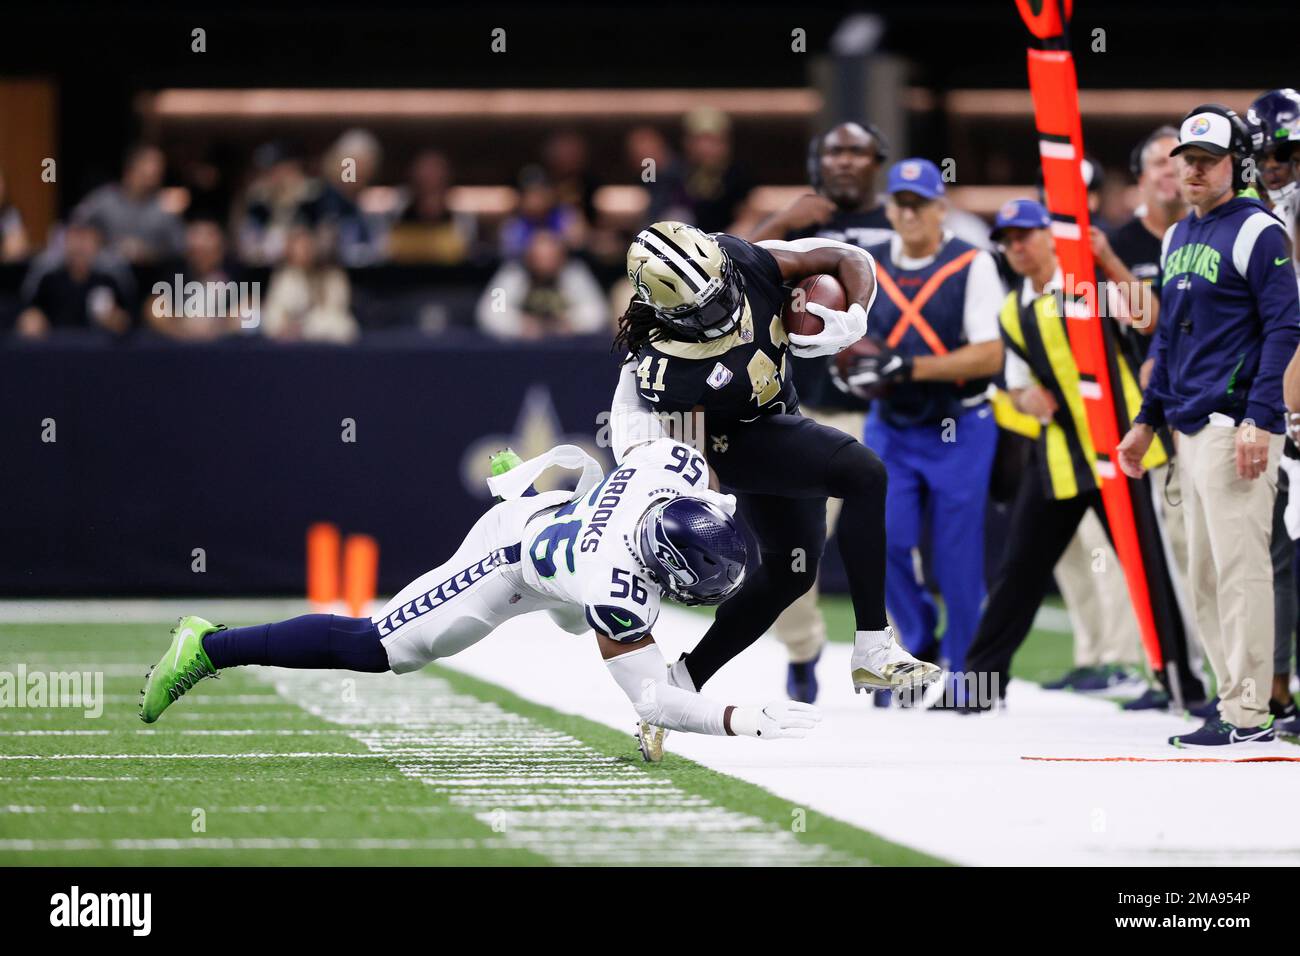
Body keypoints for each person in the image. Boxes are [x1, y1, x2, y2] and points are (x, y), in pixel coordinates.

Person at [138, 440, 821, 762]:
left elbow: (646, 457)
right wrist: (735, 718)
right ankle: (207, 644)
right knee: (380, 647)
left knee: (586, 622)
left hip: (571, 522)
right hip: (513, 558)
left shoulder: (676, 468)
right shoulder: (616, 588)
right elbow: (650, 700)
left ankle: (524, 498)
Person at [609, 220, 940, 704]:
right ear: (669, 312)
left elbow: (849, 257)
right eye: (703, 311)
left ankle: (679, 684)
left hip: (776, 416)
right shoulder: (669, 364)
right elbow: (695, 455)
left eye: (721, 293)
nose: (723, 310)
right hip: (728, 439)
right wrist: (707, 505)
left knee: (792, 570)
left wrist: (854, 315)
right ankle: (873, 645)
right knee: (864, 474)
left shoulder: (739, 259)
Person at [1119, 104, 1300, 748]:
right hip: (1189, 422)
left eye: (1207, 160)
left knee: (1241, 568)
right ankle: (1232, 703)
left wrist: (1261, 416)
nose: (1193, 172)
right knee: (1202, 574)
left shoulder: (1260, 231)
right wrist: (1147, 421)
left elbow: (1285, 326)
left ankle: (1249, 711)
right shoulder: (1178, 237)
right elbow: (1168, 338)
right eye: (1187, 161)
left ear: (1237, 164)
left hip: (1235, 423)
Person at [944, 200, 1168, 713]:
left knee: (1149, 568)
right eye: (1008, 239)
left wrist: (1108, 260)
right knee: (1019, 569)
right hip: (1063, 454)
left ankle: (1177, 681)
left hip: (1126, 451)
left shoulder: (1086, 286)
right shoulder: (1011, 310)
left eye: (1026, 235)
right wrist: (1025, 399)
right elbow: (1017, 388)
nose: (1017, 247)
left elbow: (1150, 316)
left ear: (1050, 236)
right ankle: (979, 684)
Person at [834, 158, 1005, 706]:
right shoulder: (869, 265)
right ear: (888, 209)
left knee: (956, 558)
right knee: (879, 540)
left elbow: (989, 354)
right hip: (893, 424)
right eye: (900, 203)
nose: (908, 214)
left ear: (940, 208)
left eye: (919, 204)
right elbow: (845, 335)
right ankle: (920, 632)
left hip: (959, 422)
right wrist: (850, 366)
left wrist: (907, 368)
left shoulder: (972, 263)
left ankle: (968, 678)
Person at [745, 120, 892, 702]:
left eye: (858, 151)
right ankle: (803, 650)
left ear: (877, 160)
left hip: (880, 409)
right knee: (791, 550)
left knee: (886, 539)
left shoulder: (901, 220)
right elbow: (727, 271)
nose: (846, 161)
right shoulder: (800, 224)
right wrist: (781, 223)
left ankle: (882, 652)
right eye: (835, 150)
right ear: (817, 160)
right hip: (795, 408)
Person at [476, 230, 607, 340]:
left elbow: (597, 313)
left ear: (562, 257)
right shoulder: (511, 274)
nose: (545, 264)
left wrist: (568, 323)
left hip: (567, 348)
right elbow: (490, 313)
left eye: (551, 257)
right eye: (539, 258)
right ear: (528, 257)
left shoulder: (575, 274)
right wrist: (522, 325)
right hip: (521, 348)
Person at [15, 221, 131, 339]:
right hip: (56, 347)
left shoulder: (108, 281)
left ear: (97, 245)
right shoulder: (49, 280)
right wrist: (33, 321)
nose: (79, 246)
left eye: (85, 239)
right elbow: (31, 312)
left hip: (98, 347)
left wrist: (115, 320)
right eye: (74, 238)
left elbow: (126, 319)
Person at [73, 144, 184, 265]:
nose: (155, 172)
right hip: (108, 271)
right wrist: (102, 247)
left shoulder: (164, 206)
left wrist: (151, 253)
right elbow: (76, 226)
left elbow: (179, 249)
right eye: (149, 166)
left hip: (153, 275)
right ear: (131, 169)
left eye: (159, 169)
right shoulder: (104, 199)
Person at [262, 225, 358, 343]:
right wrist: (285, 327)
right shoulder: (284, 279)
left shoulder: (333, 278)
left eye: (307, 247)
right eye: (299, 248)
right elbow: (273, 316)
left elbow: (339, 321)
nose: (304, 252)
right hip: (291, 347)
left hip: (328, 346)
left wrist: (304, 328)